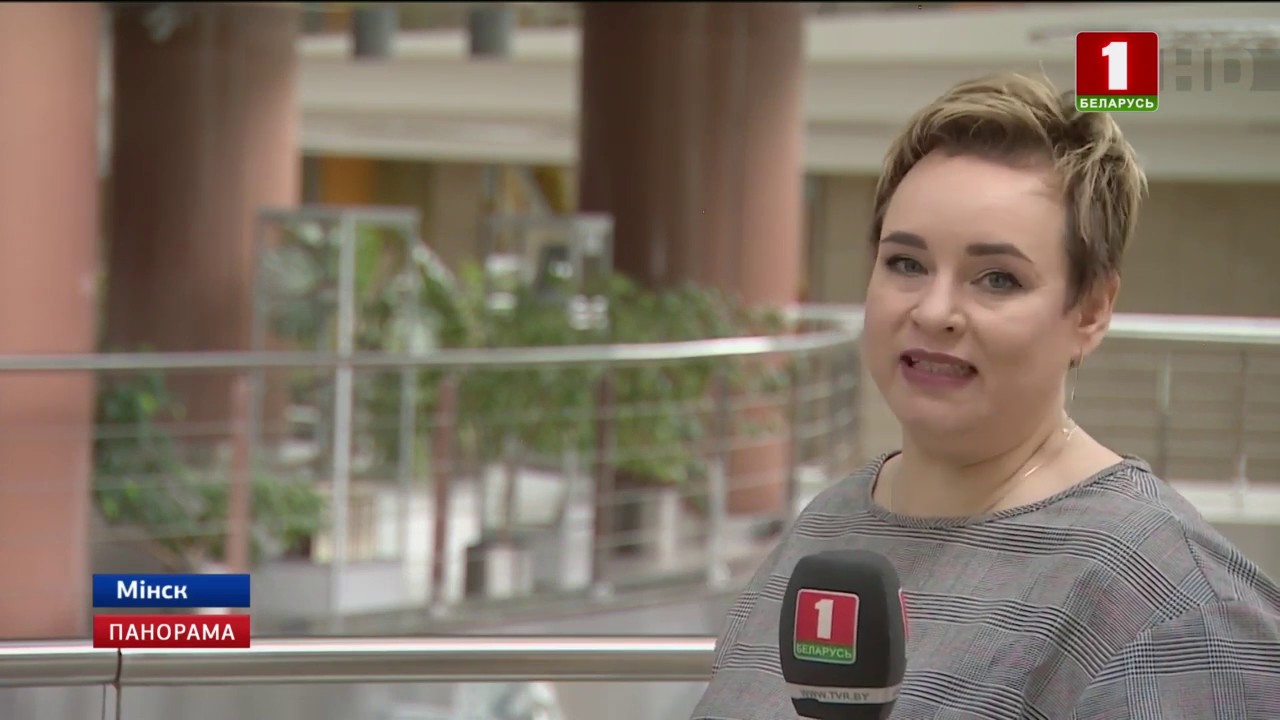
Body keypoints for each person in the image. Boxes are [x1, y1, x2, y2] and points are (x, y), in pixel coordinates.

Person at [690, 73, 1280, 719]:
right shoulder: (829, 525)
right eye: (906, 264)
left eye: (997, 279)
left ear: (1090, 309)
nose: (934, 311)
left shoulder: (1169, 597)